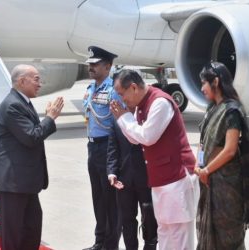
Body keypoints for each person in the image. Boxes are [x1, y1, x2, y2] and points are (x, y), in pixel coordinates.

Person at [110, 69, 198, 250]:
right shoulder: (142, 104)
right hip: (160, 180)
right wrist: (123, 119)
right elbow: (134, 138)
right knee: (164, 232)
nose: (122, 100)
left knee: (179, 236)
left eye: (122, 94)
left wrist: (124, 117)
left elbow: (147, 136)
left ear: (133, 87)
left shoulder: (160, 102)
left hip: (177, 178)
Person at [0, 64, 64, 250]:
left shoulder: (23, 102)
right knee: (14, 236)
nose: (40, 84)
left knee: (31, 231)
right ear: (22, 81)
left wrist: (47, 119)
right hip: (13, 182)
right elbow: (32, 137)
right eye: (36, 79)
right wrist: (50, 118)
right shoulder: (13, 105)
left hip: (25, 182)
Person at [194, 61, 249, 249]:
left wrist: (207, 169)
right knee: (208, 234)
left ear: (215, 82)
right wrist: (198, 165)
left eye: (204, 83)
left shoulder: (232, 111)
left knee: (229, 237)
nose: (202, 88)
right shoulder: (211, 109)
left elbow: (230, 149)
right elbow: (203, 142)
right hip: (208, 181)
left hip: (228, 187)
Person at [83, 46, 120, 250]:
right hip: (93, 147)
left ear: (108, 66)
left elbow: (119, 121)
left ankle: (111, 244)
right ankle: (100, 241)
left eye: (95, 64)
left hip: (108, 147)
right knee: (98, 197)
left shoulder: (113, 89)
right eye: (90, 63)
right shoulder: (91, 88)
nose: (91, 67)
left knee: (110, 200)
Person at [106, 117, 158, 250]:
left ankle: (150, 245)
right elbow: (113, 149)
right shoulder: (117, 121)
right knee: (127, 220)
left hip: (147, 179)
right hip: (124, 181)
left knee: (149, 217)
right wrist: (112, 173)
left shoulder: (148, 118)